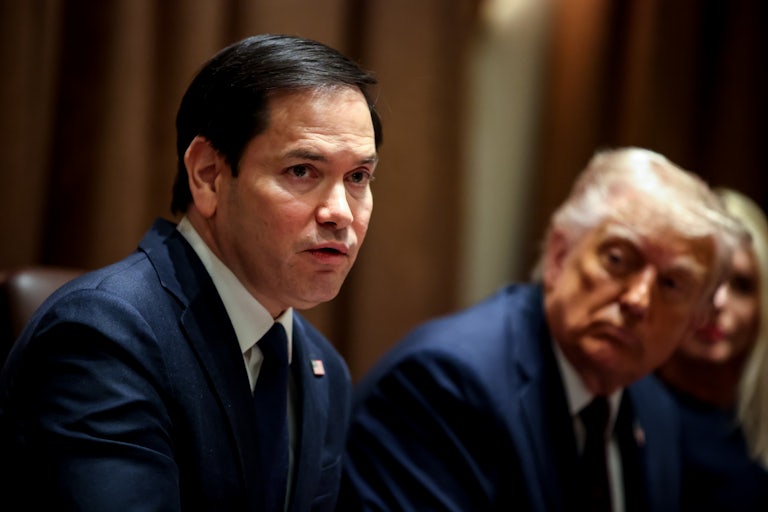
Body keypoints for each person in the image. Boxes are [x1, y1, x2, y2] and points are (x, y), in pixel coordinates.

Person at [0, 34, 381, 511]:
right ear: (208, 174)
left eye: (358, 177)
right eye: (302, 171)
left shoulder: (322, 368)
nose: (340, 212)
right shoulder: (102, 338)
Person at [339, 147, 746, 511]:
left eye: (672, 284)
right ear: (559, 255)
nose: (638, 300)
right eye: (618, 260)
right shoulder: (445, 384)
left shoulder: (653, 408)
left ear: (697, 319)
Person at [656, 187, 768, 511]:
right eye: (706, 280)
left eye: (742, 286)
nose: (718, 303)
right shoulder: (622, 405)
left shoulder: (757, 425)